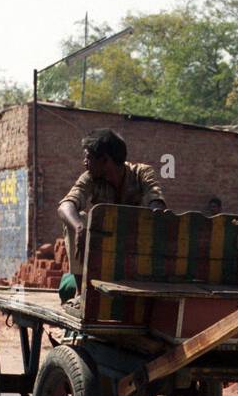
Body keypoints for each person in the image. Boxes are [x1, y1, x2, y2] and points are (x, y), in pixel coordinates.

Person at [57, 128, 167, 304]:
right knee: (77, 218)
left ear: (105, 160)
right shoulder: (89, 178)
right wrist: (79, 228)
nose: (84, 162)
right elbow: (65, 205)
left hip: (136, 245)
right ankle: (80, 292)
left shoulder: (142, 173)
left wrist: (154, 214)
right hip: (103, 247)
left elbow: (156, 201)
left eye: (88, 158)